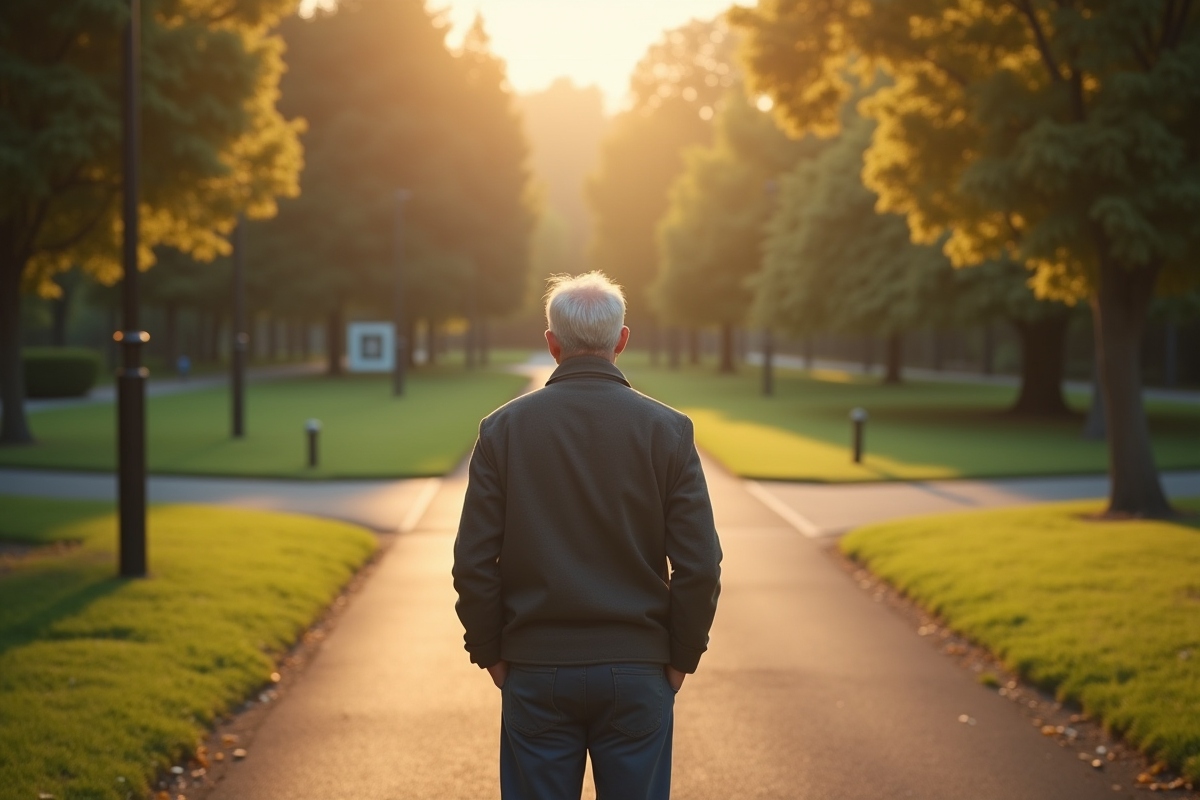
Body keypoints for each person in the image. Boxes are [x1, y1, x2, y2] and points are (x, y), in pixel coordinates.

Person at [452, 271, 723, 800]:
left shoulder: (501, 431)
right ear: (621, 340)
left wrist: (491, 651)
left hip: (534, 669)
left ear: (552, 344)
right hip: (639, 671)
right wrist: (680, 658)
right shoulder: (668, 430)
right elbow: (700, 566)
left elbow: (473, 563)